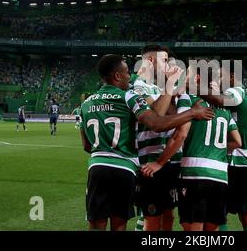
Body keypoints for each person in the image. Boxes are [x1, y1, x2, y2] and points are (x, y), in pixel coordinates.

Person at [80, 54, 214, 231]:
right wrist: (192, 113)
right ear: (117, 76)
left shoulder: (86, 104)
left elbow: (86, 146)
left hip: (97, 167)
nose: (130, 76)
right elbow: (157, 124)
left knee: (96, 224)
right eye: (127, 72)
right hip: (125, 168)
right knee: (119, 225)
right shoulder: (128, 96)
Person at [142, 64, 242, 231]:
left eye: (187, 75)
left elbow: (180, 134)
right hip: (220, 176)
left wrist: (159, 163)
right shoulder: (224, 108)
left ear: (196, 78)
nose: (184, 79)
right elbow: (237, 142)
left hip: (194, 174)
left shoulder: (189, 99)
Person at [198, 61, 247, 231]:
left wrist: (195, 87)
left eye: (221, 76)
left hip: (238, 162)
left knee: (218, 216)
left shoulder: (233, 92)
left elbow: (223, 101)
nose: (218, 80)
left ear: (232, 76)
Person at [133, 45, 183, 231]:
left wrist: (170, 87)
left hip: (169, 160)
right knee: (152, 218)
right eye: (164, 59)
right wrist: (170, 83)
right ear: (151, 60)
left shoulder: (156, 87)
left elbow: (173, 116)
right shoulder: (138, 86)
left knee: (168, 214)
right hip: (151, 161)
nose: (167, 64)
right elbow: (158, 114)